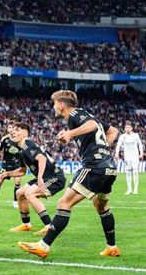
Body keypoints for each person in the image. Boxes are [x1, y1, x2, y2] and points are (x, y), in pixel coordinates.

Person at [18, 90, 120, 259]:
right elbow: (113, 131)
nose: (53, 107)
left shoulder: (74, 113)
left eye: (54, 104)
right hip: (109, 167)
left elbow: (93, 126)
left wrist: (70, 133)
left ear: (61, 105)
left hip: (94, 167)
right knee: (101, 206)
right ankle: (112, 247)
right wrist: (103, 150)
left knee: (64, 202)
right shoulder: (85, 115)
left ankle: (43, 246)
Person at [2, 122, 66, 236]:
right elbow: (22, 171)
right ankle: (26, 224)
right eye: (12, 130)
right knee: (20, 193)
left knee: (29, 194)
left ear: (25, 133)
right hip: (45, 176)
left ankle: (48, 226)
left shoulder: (27, 143)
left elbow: (41, 158)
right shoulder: (22, 150)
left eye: (16, 130)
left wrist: (40, 177)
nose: (12, 132)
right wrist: (8, 174)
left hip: (54, 176)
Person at [0, 121, 22, 208]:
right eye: (9, 128)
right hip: (6, 165)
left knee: (18, 182)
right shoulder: (5, 139)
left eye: (12, 128)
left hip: (17, 165)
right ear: (7, 129)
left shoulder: (20, 139)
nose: (10, 129)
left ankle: (15, 202)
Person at [115, 122, 143, 195]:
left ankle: (135, 189)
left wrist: (141, 153)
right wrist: (116, 153)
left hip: (135, 156)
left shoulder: (135, 135)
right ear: (124, 128)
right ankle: (129, 189)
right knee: (128, 173)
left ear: (131, 128)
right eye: (126, 127)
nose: (128, 129)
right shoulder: (122, 136)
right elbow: (118, 145)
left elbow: (140, 144)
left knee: (135, 172)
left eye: (129, 127)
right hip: (127, 157)